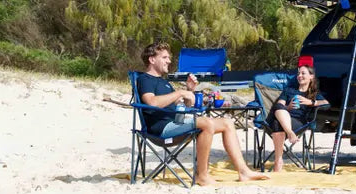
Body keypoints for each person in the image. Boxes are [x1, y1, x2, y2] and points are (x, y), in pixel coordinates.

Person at [136, 42, 267, 185]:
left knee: (227, 122)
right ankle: (202, 175)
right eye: (165, 57)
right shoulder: (145, 79)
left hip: (176, 123)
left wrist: (189, 90)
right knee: (207, 123)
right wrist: (180, 92)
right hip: (161, 130)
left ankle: (244, 172)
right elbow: (152, 102)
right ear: (152, 59)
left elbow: (181, 106)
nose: (169, 61)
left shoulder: (164, 82)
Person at [266, 59, 328, 172]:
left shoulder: (313, 94)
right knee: (278, 112)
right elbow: (279, 105)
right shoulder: (289, 90)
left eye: (303, 73)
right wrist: (288, 107)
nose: (299, 75)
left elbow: (326, 104)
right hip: (284, 116)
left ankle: (278, 161)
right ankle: (290, 134)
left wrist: (311, 102)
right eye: (298, 73)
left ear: (311, 76)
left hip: (298, 121)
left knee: (276, 123)